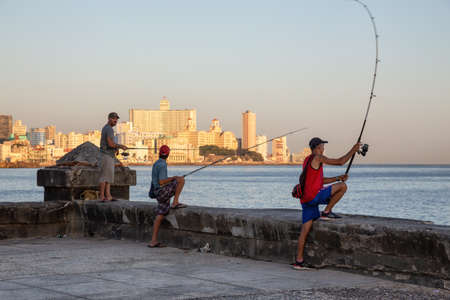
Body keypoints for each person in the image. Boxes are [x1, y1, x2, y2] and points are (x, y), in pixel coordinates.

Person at [293, 137, 361, 270]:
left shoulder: (307, 160)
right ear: (317, 148)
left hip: (306, 200)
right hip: (314, 197)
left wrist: (337, 177)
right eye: (322, 146)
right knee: (342, 187)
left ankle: (299, 262)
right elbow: (341, 162)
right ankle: (326, 212)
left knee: (304, 231)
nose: (324, 149)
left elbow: (320, 181)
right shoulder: (318, 157)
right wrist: (353, 150)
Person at [148, 145, 187, 248]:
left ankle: (153, 241)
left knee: (160, 215)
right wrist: (175, 178)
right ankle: (175, 202)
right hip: (162, 192)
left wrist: (172, 179)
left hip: (157, 192)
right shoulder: (162, 165)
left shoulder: (156, 163)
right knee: (181, 180)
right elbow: (161, 181)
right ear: (168, 154)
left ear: (159, 153)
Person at [99, 112, 127, 202]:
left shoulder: (107, 128)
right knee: (104, 177)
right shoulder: (109, 129)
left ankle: (108, 196)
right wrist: (121, 146)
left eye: (116, 119)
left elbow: (111, 144)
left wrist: (116, 149)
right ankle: (102, 196)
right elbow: (110, 143)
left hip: (109, 155)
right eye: (114, 119)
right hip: (106, 155)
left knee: (109, 177)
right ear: (109, 119)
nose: (116, 121)